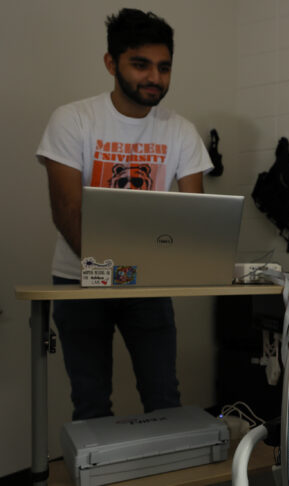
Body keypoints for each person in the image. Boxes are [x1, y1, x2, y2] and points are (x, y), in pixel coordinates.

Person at [35, 8, 213, 420]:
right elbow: (67, 211)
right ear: (111, 63)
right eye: (141, 65)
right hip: (79, 277)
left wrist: (192, 259)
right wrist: (113, 271)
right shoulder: (73, 120)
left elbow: (195, 216)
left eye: (164, 67)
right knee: (91, 402)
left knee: (164, 397)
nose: (154, 77)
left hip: (148, 284)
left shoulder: (180, 130)